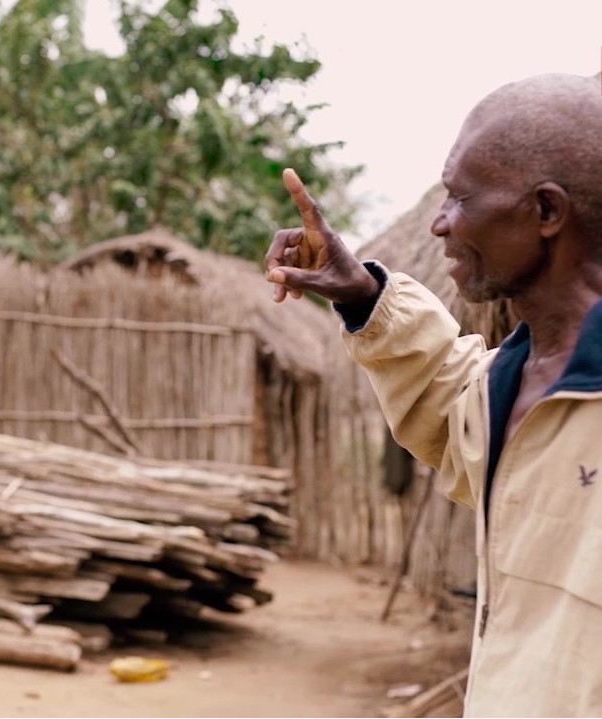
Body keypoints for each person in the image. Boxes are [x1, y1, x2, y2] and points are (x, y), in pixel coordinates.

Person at [265, 73, 602, 717]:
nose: (441, 224)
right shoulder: (514, 380)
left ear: (547, 212)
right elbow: (454, 408)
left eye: (460, 199)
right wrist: (363, 295)